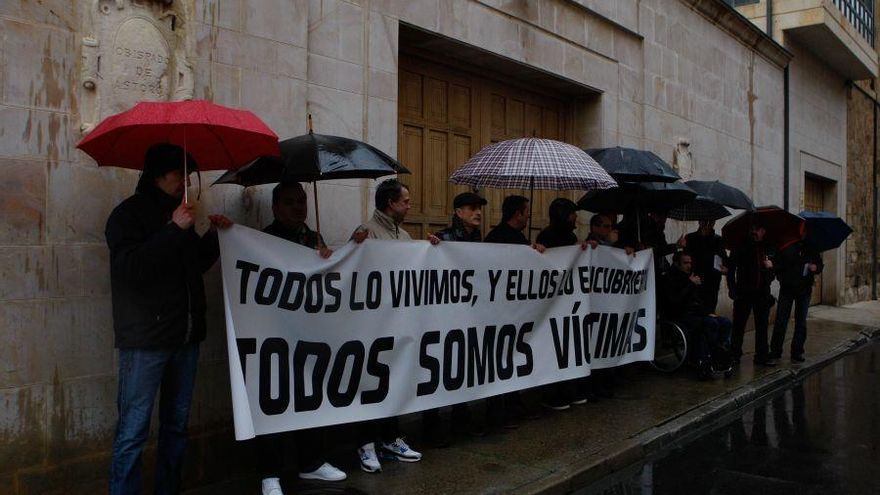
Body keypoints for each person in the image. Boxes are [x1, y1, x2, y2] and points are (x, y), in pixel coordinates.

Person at [105, 143, 232, 495]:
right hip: (146, 340)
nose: (185, 183)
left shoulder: (183, 215)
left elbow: (192, 267)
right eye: (179, 174)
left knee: (176, 426)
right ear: (158, 175)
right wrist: (172, 230)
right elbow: (131, 270)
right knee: (133, 431)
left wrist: (214, 238)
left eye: (188, 175)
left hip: (185, 337)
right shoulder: (127, 215)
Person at [258, 182, 344, 495]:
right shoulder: (262, 238)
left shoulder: (313, 238)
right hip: (274, 336)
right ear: (275, 207)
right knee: (274, 404)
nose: (299, 207)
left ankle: (311, 462)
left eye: (303, 201)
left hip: (308, 335)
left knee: (310, 399)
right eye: (291, 202)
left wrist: (330, 256)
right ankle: (270, 473)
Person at [350, 178, 422, 472]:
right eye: (405, 201)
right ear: (390, 203)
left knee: (393, 383)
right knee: (371, 384)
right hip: (373, 326)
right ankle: (365, 443)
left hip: (398, 323)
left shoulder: (404, 236)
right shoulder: (366, 233)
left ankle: (391, 437)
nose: (408, 205)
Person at [423, 192, 488, 446]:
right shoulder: (443, 239)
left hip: (468, 315)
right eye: (472, 208)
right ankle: (432, 424)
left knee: (462, 365)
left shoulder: (479, 241)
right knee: (439, 367)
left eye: (480, 208)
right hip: (443, 318)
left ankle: (461, 417)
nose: (478, 213)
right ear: (458, 212)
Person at [536, 199, 589, 409]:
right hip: (551, 303)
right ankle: (552, 393)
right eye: (573, 214)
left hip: (568, 302)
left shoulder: (570, 236)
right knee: (553, 347)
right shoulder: (547, 236)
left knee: (568, 345)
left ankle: (569, 389)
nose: (576, 218)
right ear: (565, 215)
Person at [661, 251, 733, 378]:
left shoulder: (692, 276)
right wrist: (690, 285)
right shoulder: (670, 278)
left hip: (696, 313)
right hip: (680, 315)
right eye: (685, 263)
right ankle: (705, 360)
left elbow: (699, 301)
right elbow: (674, 302)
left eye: (690, 263)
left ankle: (720, 355)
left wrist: (708, 312)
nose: (689, 266)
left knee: (725, 322)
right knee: (709, 324)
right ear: (677, 264)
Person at [727, 222, 776, 366]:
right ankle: (735, 354)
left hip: (762, 293)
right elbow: (731, 269)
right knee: (739, 325)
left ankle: (761, 356)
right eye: (753, 228)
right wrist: (732, 289)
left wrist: (770, 267)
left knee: (762, 326)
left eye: (758, 229)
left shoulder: (768, 247)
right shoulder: (741, 245)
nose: (755, 231)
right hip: (744, 292)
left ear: (764, 231)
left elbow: (773, 272)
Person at [769, 240, 823, 363]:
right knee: (781, 320)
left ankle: (797, 351)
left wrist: (816, 268)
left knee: (801, 322)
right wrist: (782, 277)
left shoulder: (811, 247)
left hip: (804, 290)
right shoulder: (786, 246)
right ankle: (775, 350)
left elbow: (819, 264)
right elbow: (778, 264)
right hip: (787, 289)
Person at [685, 219, 728, 314]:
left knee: (710, 311)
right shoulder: (690, 238)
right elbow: (685, 258)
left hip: (712, 283)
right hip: (695, 280)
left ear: (714, 223)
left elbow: (723, 259)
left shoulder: (718, 240)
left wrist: (725, 268)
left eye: (710, 221)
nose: (707, 224)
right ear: (699, 222)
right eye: (704, 221)